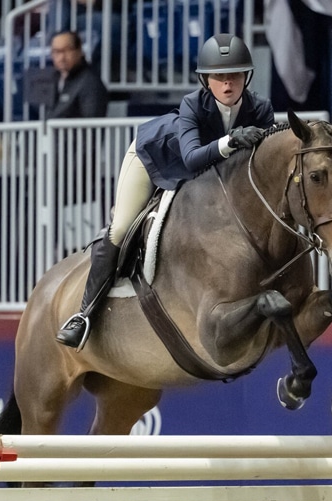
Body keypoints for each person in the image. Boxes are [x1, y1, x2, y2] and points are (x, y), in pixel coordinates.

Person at [55, 33, 276, 350]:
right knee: (121, 227)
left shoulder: (261, 109)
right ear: (205, 80)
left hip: (207, 174)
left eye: (235, 76)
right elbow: (191, 158)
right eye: (219, 77)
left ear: (247, 77)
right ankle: (84, 315)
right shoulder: (192, 105)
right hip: (152, 159)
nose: (228, 85)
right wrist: (230, 141)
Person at [44, 30, 108, 120]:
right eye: (56, 52)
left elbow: (92, 125)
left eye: (67, 50)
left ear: (79, 50)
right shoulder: (53, 78)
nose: (61, 57)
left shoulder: (90, 83)